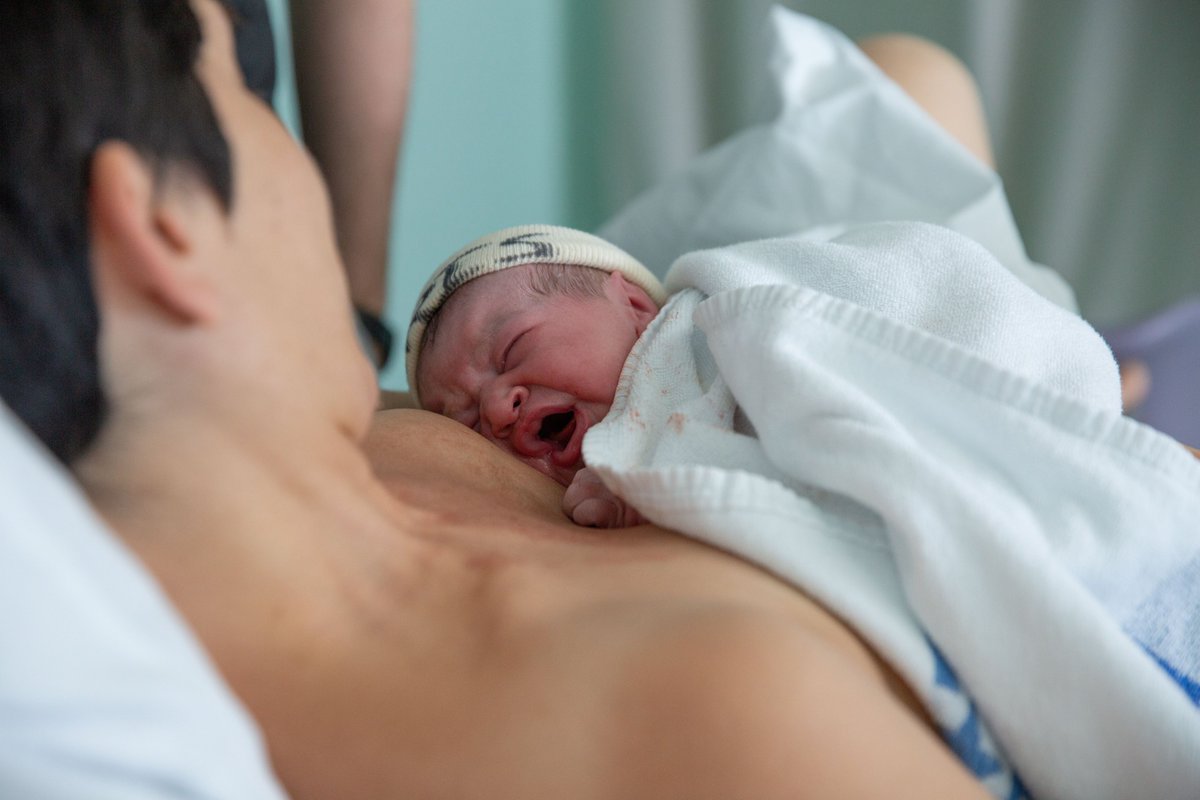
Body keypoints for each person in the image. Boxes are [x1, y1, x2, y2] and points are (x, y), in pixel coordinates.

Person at [0, 1, 998, 798]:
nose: (297, 171)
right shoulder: (723, 717)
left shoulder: (336, 426)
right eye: (253, 98)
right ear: (162, 226)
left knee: (911, 74)